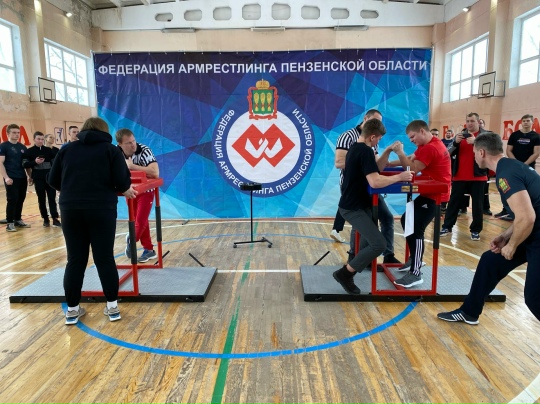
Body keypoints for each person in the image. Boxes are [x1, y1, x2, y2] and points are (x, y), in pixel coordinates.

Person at [438, 132, 540, 325]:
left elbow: (527, 217)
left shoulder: (506, 174)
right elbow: (528, 213)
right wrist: (505, 236)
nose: (474, 157)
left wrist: (512, 245)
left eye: (474, 153)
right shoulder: (509, 167)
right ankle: (469, 312)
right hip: (533, 230)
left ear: (482, 152)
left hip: (535, 233)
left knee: (535, 297)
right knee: (490, 261)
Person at [48, 117, 137, 325]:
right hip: (102, 209)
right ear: (104, 131)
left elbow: (52, 180)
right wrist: (123, 188)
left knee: (75, 260)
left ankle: (72, 310)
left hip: (71, 209)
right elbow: (123, 182)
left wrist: (71, 189)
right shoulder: (111, 151)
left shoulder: (67, 150)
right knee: (104, 258)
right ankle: (112, 307)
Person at [332, 119, 413, 295]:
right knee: (379, 244)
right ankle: (344, 274)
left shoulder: (356, 148)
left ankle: (352, 269)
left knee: (366, 245)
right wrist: (400, 177)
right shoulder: (365, 151)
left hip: (358, 204)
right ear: (372, 137)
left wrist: (387, 151)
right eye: (379, 139)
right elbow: (375, 181)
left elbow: (376, 168)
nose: (378, 143)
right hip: (353, 208)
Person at [331, 109, 401, 265]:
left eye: (379, 122)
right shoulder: (349, 138)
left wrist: (387, 151)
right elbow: (339, 162)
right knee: (361, 225)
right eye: (374, 121)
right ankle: (354, 258)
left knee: (386, 218)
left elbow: (376, 167)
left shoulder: (371, 140)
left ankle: (387, 255)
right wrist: (362, 164)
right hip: (354, 187)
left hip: (369, 187)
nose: (376, 124)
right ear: (365, 118)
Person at [391, 120, 451, 287]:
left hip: (436, 195)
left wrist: (400, 153)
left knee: (416, 228)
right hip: (429, 193)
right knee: (407, 220)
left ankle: (416, 273)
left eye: (413, 137)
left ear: (422, 131)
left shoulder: (431, 148)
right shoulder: (428, 144)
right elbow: (411, 159)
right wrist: (387, 163)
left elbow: (411, 169)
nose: (411, 140)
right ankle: (414, 259)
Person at [440, 113, 488, 241]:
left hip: (478, 177)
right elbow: (447, 153)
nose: (470, 123)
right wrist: (455, 143)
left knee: (477, 205)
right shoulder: (460, 136)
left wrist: (476, 142)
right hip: (459, 176)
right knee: (453, 203)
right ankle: (447, 227)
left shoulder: (486, 136)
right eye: (468, 121)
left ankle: (475, 230)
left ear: (478, 122)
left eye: (472, 121)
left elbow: (491, 152)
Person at [115, 128, 159, 263]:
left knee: (140, 221)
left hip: (146, 191)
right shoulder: (116, 152)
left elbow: (155, 173)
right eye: (128, 143)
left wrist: (132, 166)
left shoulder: (144, 150)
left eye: (133, 141)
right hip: (129, 190)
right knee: (139, 221)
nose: (133, 144)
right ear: (120, 144)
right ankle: (149, 250)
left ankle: (131, 240)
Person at [495, 114, 540, 221]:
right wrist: (516, 163)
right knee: (508, 188)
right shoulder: (514, 135)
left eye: (528, 121)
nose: (525, 123)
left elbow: (536, 153)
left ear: (532, 122)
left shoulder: (536, 136)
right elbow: (508, 150)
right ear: (521, 122)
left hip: (528, 167)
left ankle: (525, 213)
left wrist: (524, 165)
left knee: (526, 190)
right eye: (524, 121)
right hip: (513, 166)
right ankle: (506, 210)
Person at [22, 131, 61, 227]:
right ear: (34, 139)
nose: (40, 141)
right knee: (41, 198)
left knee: (52, 198)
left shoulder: (48, 150)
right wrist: (35, 162)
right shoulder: (29, 151)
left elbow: (56, 162)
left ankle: (55, 218)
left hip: (49, 178)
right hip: (38, 178)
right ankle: (45, 218)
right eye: (38, 139)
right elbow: (25, 164)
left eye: (42, 139)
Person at [0, 124, 31, 232]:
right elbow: (0, 163)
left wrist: (30, 176)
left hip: (21, 177)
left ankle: (17, 219)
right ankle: (10, 222)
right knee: (12, 199)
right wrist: (6, 177)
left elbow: (26, 164)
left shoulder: (22, 147)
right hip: (11, 177)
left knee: (21, 198)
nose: (17, 134)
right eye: (14, 132)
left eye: (18, 132)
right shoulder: (4, 146)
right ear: (8, 133)